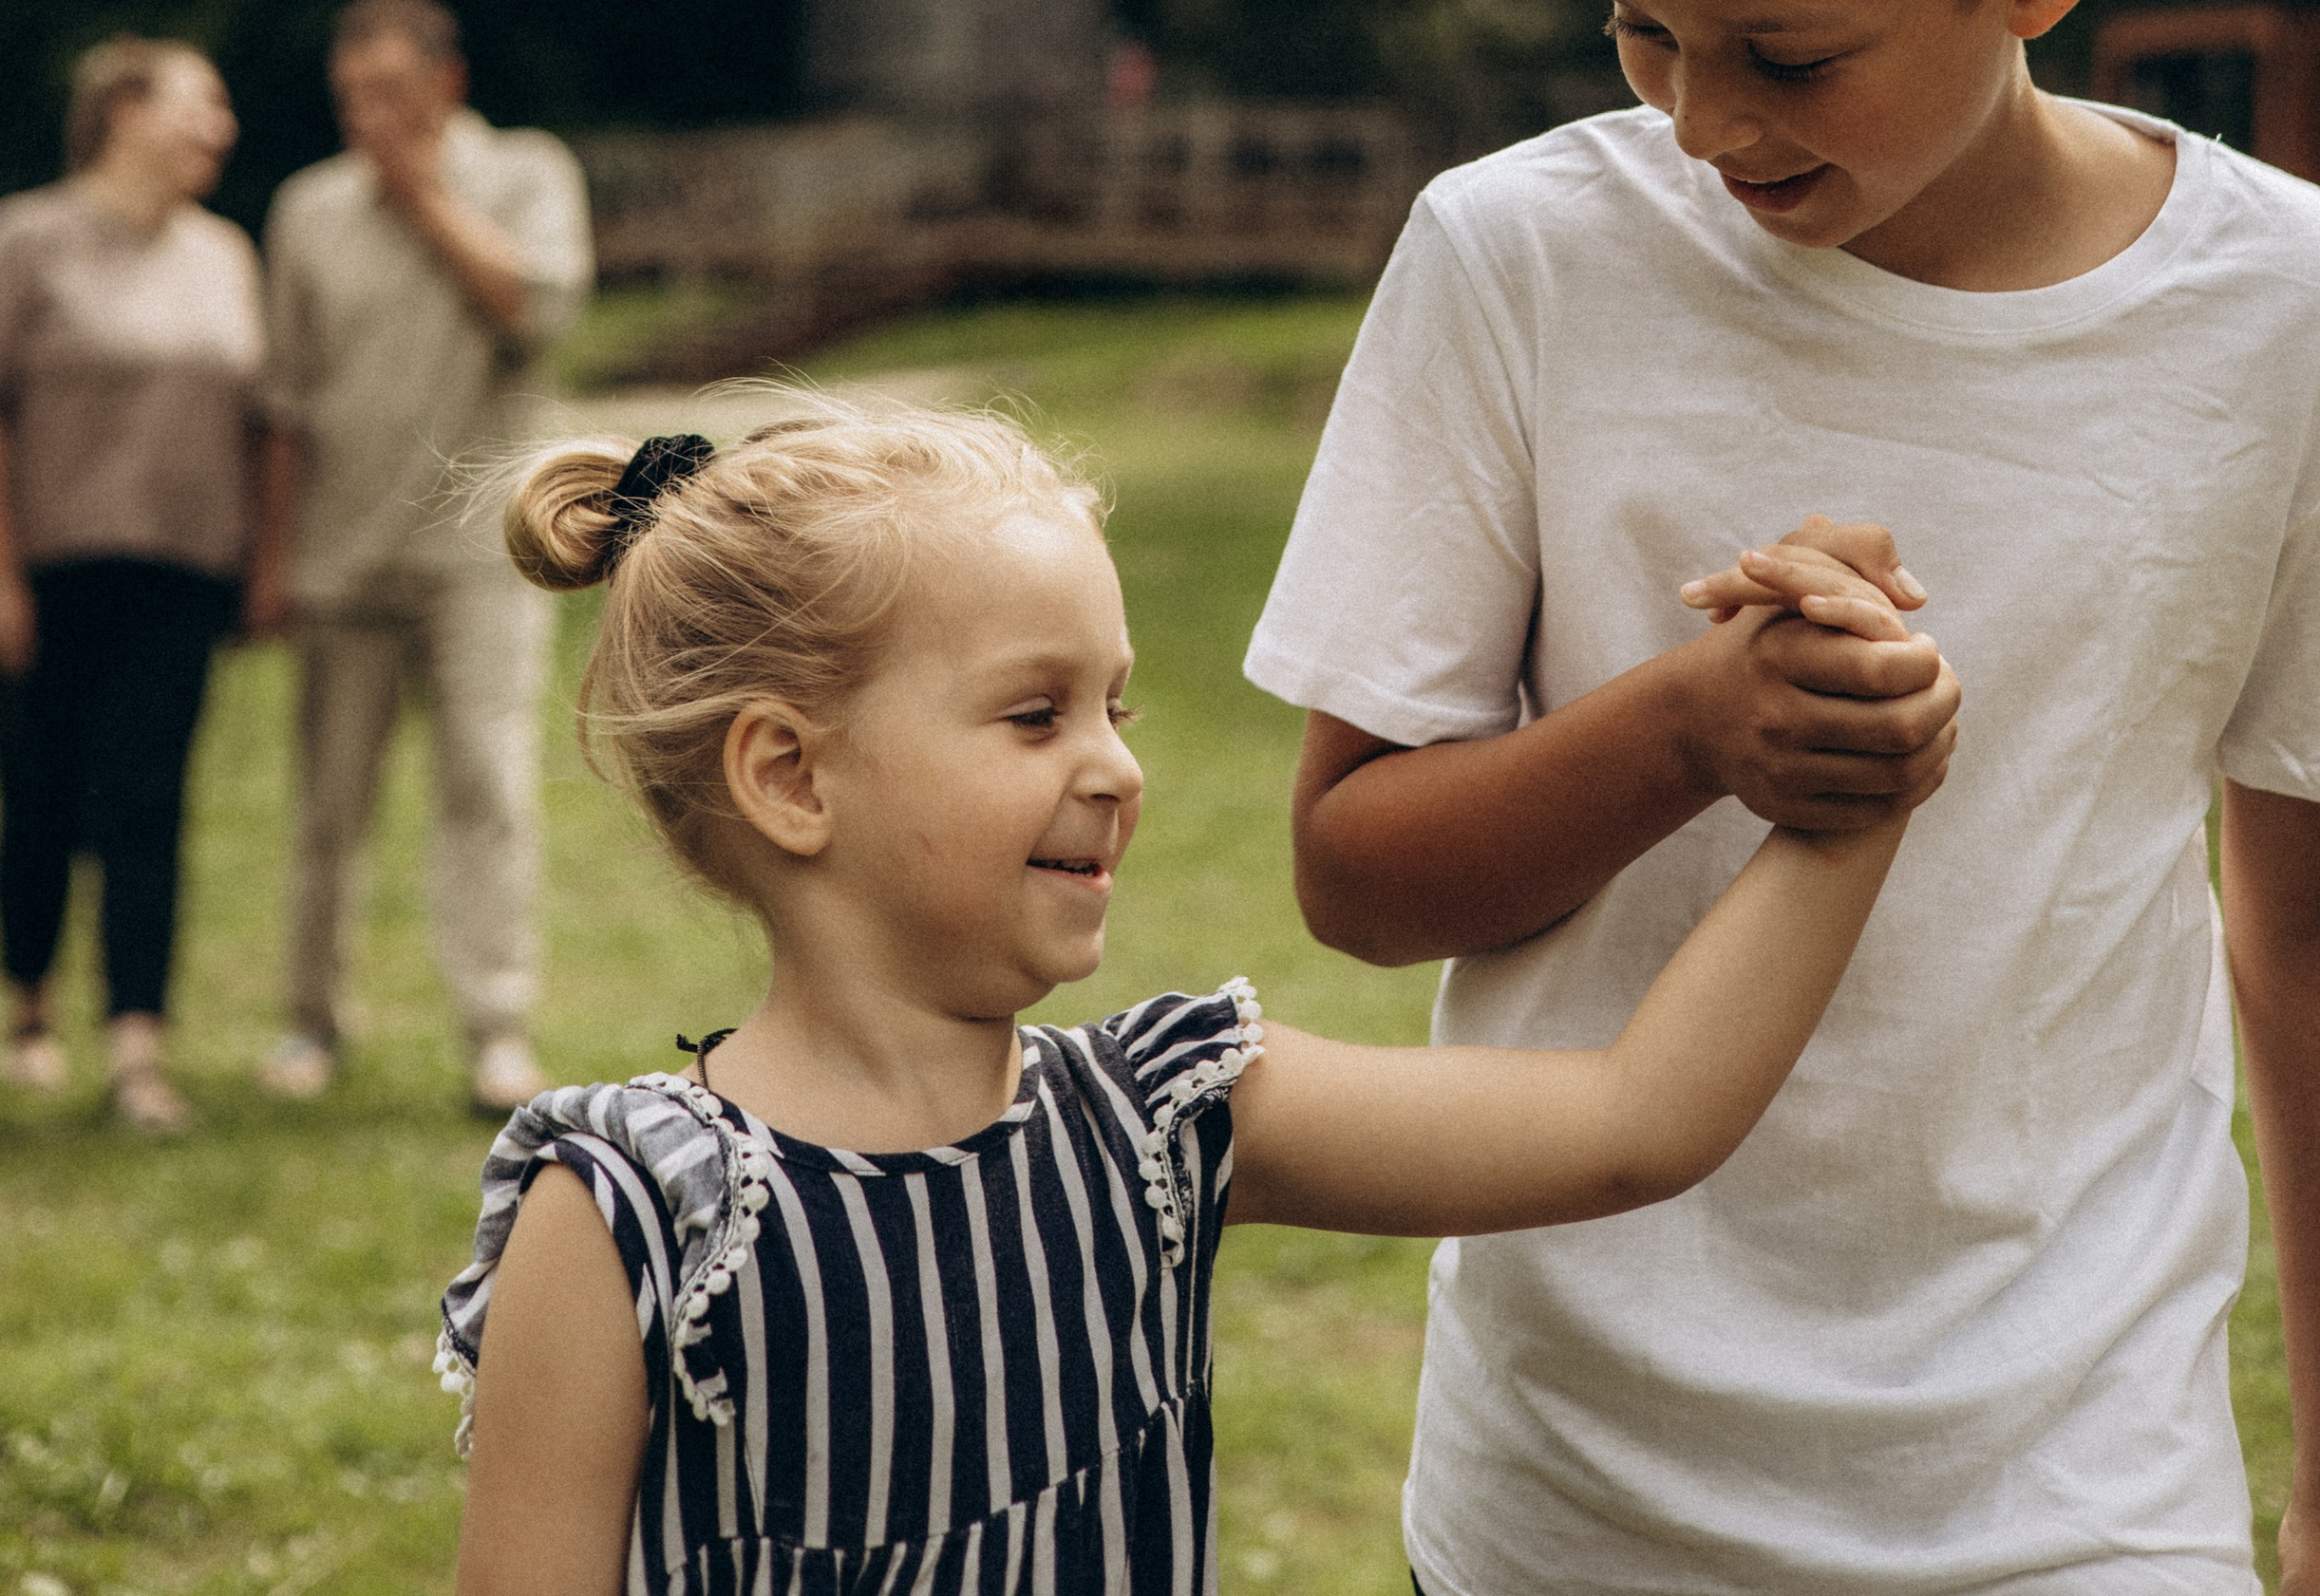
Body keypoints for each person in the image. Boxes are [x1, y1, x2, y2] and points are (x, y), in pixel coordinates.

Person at [1246, 0, 2320, 1596]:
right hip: (1571, 1497)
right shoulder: (1516, 256)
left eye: (1784, 57)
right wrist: (1686, 733)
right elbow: (1349, 875)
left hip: (2074, 1497)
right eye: (1637, 30)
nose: (1698, 125)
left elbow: (2298, 933)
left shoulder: (2275, 318)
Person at [433, 406, 1928, 1596]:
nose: (1117, 766)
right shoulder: (630, 1218)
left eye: (1115, 705)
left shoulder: (1165, 1122)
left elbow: (1634, 1120)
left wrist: (1851, 779)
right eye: (1036, 714)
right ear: (790, 776)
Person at [0, 36, 280, 1135]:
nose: (220, 127)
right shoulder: (27, 238)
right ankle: (29, 1013)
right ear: (125, 109)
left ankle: (138, 1052)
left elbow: (261, 421)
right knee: (36, 801)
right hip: (50, 569)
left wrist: (263, 561)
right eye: (200, 104)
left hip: (180, 579)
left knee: (147, 808)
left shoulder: (224, 252)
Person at [255, 0, 593, 1116]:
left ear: (448, 84)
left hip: (482, 553)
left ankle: (496, 1031)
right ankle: (310, 1024)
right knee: (328, 806)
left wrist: (421, 195)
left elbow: (531, 311)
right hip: (340, 554)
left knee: (487, 784)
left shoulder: (529, 174)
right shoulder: (307, 210)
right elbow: (286, 401)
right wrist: (271, 558)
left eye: (391, 91)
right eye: (350, 96)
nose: (368, 116)